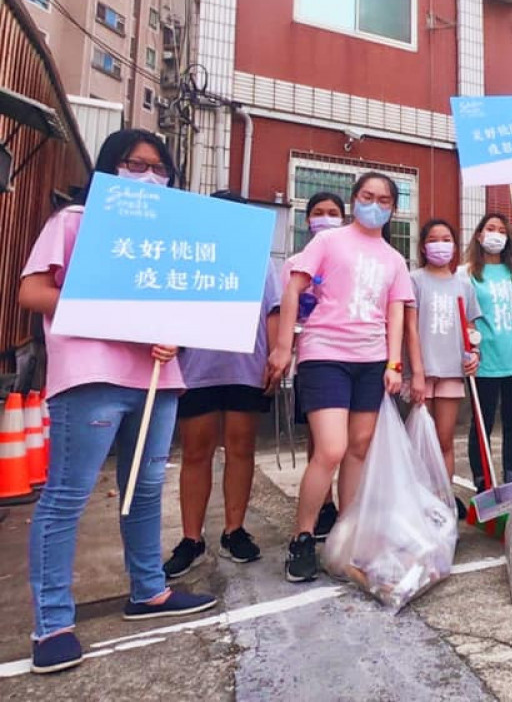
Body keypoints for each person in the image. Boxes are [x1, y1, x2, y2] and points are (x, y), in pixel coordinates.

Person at [18, 129, 217, 675]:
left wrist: (175, 334)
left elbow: (185, 303)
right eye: (136, 164)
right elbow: (32, 291)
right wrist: (113, 313)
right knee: (68, 495)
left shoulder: (172, 238)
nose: (150, 177)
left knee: (145, 488)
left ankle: (149, 590)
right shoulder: (75, 222)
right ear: (110, 168)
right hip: (92, 376)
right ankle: (52, 622)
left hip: (157, 375)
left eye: (160, 170)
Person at [267, 172, 414, 582]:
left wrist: (393, 364)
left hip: (371, 359)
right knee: (330, 449)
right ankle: (302, 537)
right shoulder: (328, 241)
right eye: (367, 196)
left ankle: (346, 538)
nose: (375, 204)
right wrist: (283, 345)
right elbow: (293, 288)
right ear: (354, 200)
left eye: (384, 199)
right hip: (325, 354)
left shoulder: (394, 259)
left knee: (359, 448)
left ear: (393, 209)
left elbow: (396, 311)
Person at [163, 192, 283, 579]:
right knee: (195, 452)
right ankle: (191, 539)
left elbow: (274, 311)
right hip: (196, 369)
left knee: (241, 449)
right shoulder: (188, 257)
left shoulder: (259, 262)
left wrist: (276, 358)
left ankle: (235, 530)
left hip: (246, 368)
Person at [406, 218, 481, 515]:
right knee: (418, 443)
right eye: (434, 239)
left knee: (444, 439)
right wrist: (414, 372)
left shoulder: (463, 283)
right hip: (420, 373)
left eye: (447, 238)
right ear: (424, 247)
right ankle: (417, 503)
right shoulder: (414, 280)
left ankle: (443, 502)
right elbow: (409, 328)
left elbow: (472, 327)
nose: (441, 244)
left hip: (452, 370)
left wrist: (475, 353)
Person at [464, 212, 512, 491]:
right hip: (484, 359)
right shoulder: (467, 272)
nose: (495, 234)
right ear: (479, 235)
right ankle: (483, 484)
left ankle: (511, 481)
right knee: (481, 424)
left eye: (501, 230)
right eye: (490, 228)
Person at [293, 192, 346, 541]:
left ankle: (344, 511)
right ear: (307, 219)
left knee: (348, 444)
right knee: (322, 442)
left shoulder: (351, 258)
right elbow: (285, 310)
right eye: (317, 212)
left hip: (355, 359)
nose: (325, 218)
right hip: (313, 360)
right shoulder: (298, 262)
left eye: (332, 212)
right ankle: (319, 509)